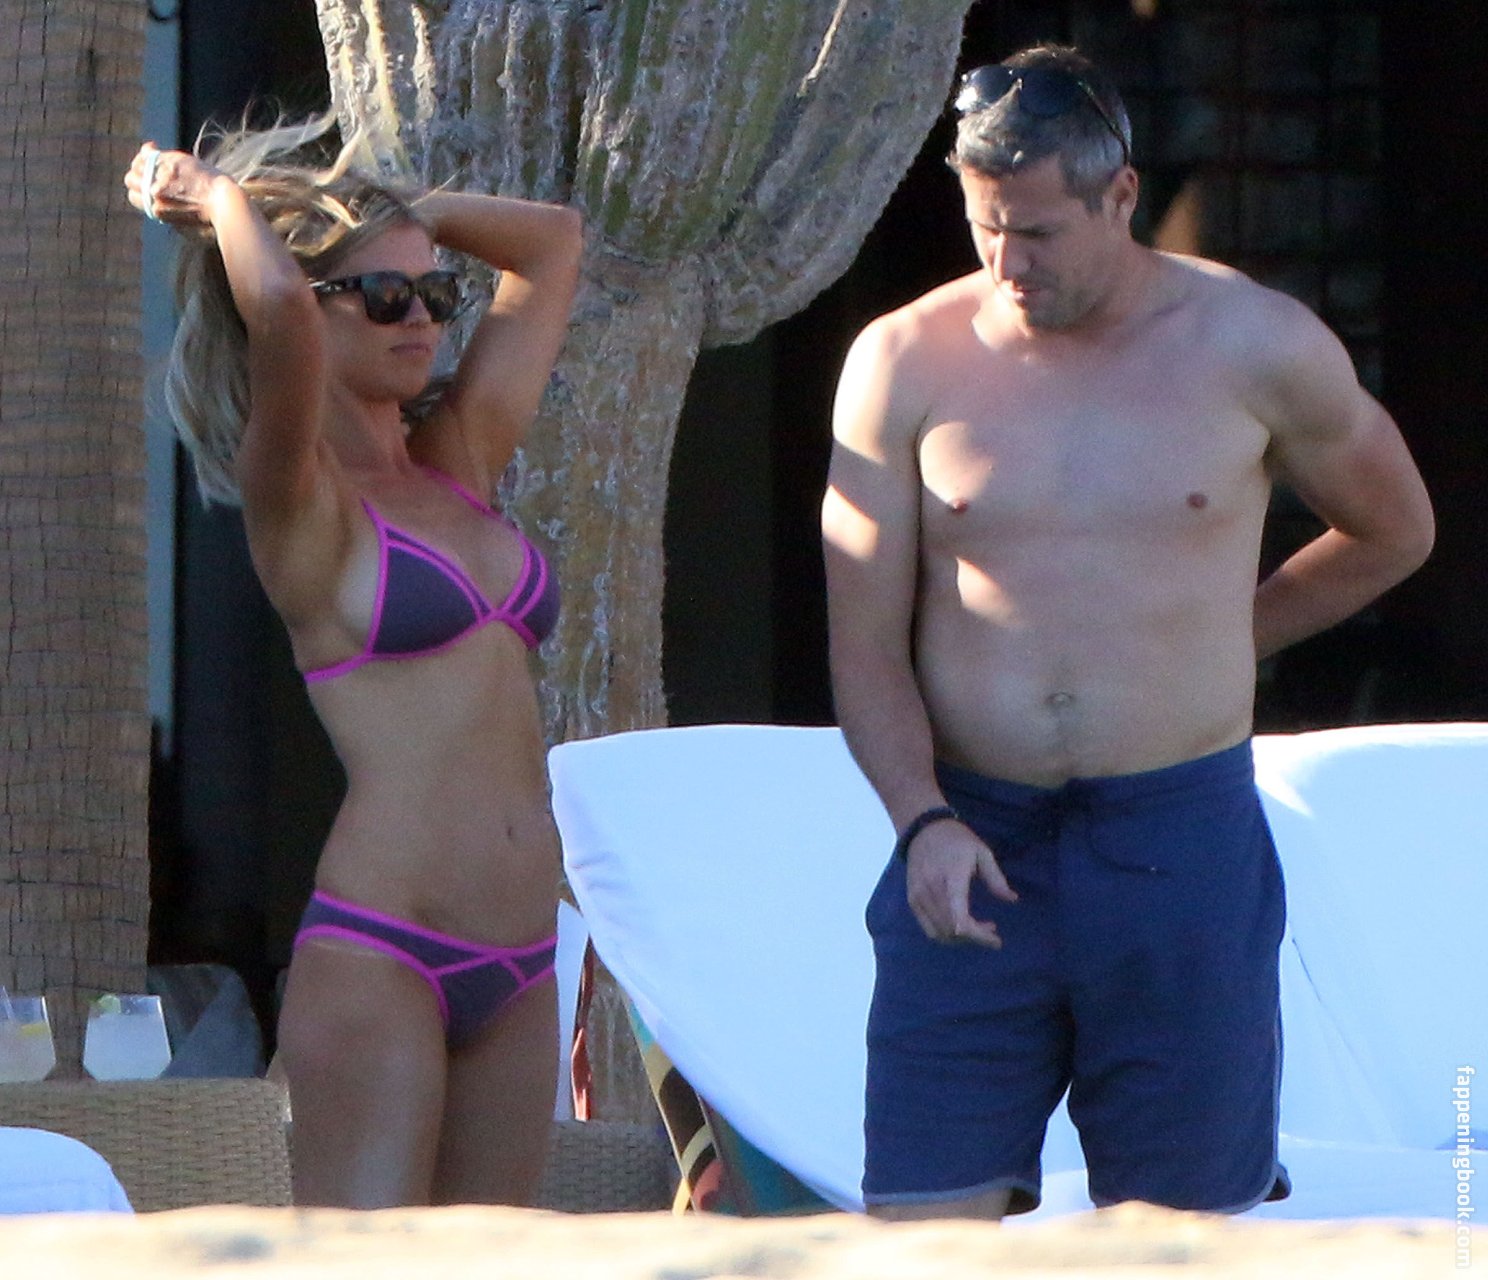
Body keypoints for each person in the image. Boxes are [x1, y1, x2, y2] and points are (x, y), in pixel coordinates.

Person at [821, 43, 1434, 1220]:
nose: (1009, 262)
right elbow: (865, 643)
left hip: (1175, 833)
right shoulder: (903, 359)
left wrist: (1226, 636)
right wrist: (920, 819)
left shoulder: (1255, 343)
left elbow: (1394, 530)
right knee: (921, 1224)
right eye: (986, 227)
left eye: (1039, 232)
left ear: (1120, 195)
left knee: (1177, 1233)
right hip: (975, 830)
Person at [125, 116, 582, 1207]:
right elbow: (280, 308)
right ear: (316, 310)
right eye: (382, 297)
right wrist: (219, 199)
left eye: (435, 294)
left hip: (524, 956)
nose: (420, 318)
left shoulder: (458, 456)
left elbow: (554, 242)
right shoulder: (298, 500)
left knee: (495, 1269)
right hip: (385, 949)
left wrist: (394, 216)